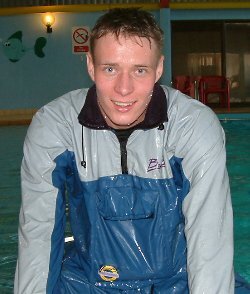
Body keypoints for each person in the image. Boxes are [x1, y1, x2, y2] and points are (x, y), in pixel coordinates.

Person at [14, 7, 236, 294]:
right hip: (87, 281)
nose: (124, 89)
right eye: (110, 68)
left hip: (178, 281)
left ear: (159, 69)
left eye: (139, 70)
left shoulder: (193, 126)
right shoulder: (55, 126)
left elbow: (209, 238)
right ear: (91, 66)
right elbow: (38, 234)